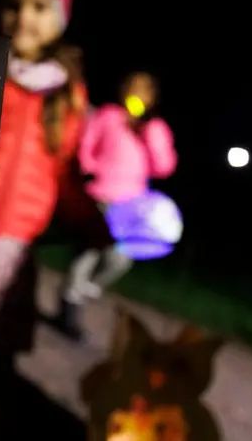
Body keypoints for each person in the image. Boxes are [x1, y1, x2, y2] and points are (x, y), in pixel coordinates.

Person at [0, 0, 88, 348]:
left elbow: (64, 168)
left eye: (40, 7)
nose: (24, 17)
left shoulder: (66, 91)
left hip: (18, 242)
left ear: (59, 18)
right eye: (14, 4)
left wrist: (88, 220)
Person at [56, 71, 177, 340]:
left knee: (119, 259)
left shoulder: (155, 128)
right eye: (132, 86)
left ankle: (85, 291)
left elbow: (164, 167)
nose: (137, 92)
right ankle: (69, 308)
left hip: (130, 206)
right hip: (99, 196)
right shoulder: (109, 115)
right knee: (87, 253)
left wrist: (149, 132)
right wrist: (89, 169)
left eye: (144, 89)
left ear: (152, 97)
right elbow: (86, 144)